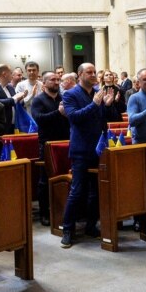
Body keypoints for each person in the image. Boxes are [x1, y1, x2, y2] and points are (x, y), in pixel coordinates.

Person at [59, 63, 110, 248]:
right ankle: (67, 230)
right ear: (80, 75)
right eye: (89, 72)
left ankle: (91, 226)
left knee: (95, 191)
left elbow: (102, 118)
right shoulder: (70, 94)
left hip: (97, 148)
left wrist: (107, 105)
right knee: (77, 191)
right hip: (81, 149)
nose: (94, 75)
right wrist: (95, 104)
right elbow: (75, 117)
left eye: (95, 72)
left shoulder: (96, 92)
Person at [31, 71, 69, 226]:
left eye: (57, 79)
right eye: (52, 80)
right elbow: (39, 119)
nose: (56, 82)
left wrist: (67, 115)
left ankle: (63, 210)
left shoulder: (63, 98)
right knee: (45, 179)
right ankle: (44, 213)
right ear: (44, 83)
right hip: (47, 143)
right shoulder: (38, 100)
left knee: (64, 177)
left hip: (65, 142)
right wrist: (58, 113)